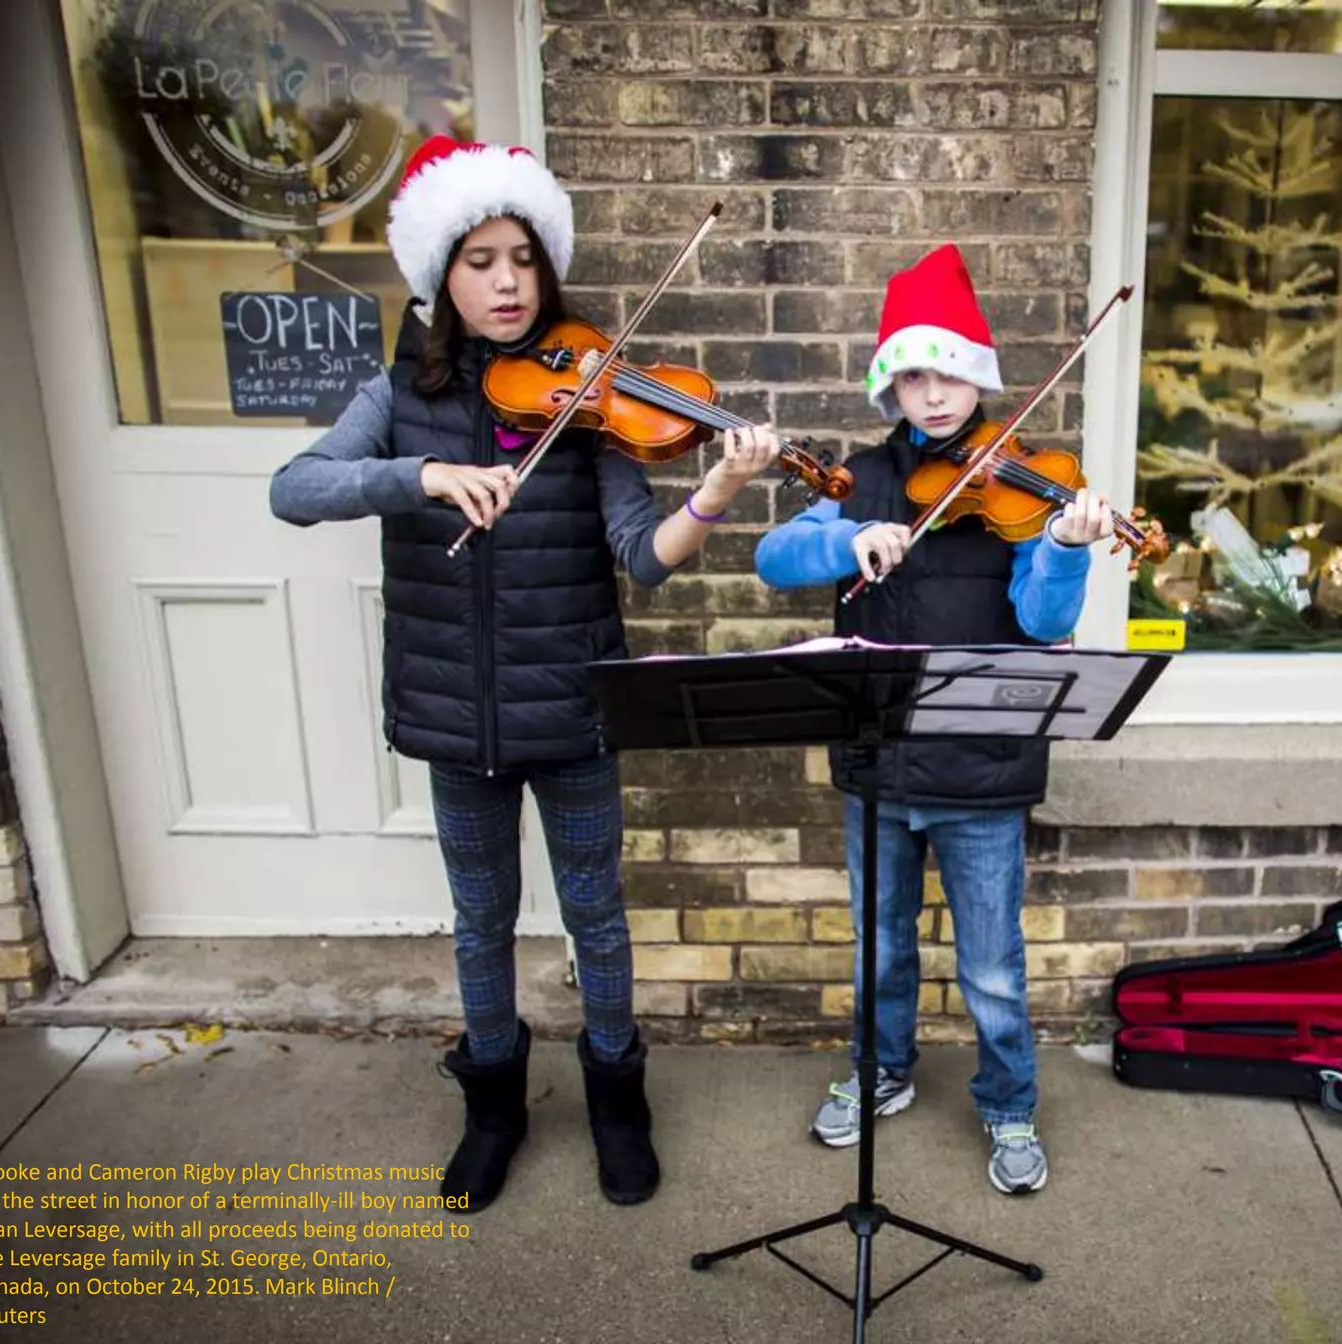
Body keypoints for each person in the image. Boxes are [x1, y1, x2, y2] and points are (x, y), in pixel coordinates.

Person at [269, 135, 779, 1213]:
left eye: (522, 259)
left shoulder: (586, 397)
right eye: (479, 260)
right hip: (453, 713)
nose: (505, 283)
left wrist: (719, 491)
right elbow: (294, 487)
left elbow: (643, 556)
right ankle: (492, 1107)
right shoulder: (398, 396)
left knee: (595, 912)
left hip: (575, 705)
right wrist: (422, 474)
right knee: (480, 920)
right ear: (439, 277)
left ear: (546, 268)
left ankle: (616, 1101)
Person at [753, 243, 1116, 1195]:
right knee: (881, 945)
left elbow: (1043, 620)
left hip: (982, 770)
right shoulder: (862, 480)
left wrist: (1069, 548)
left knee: (992, 962)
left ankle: (1009, 1105)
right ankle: (883, 1070)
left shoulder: (1028, 487)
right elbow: (774, 555)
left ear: (977, 375)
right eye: (913, 375)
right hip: (877, 762)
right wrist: (847, 536)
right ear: (892, 389)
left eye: (949, 369)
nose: (934, 394)